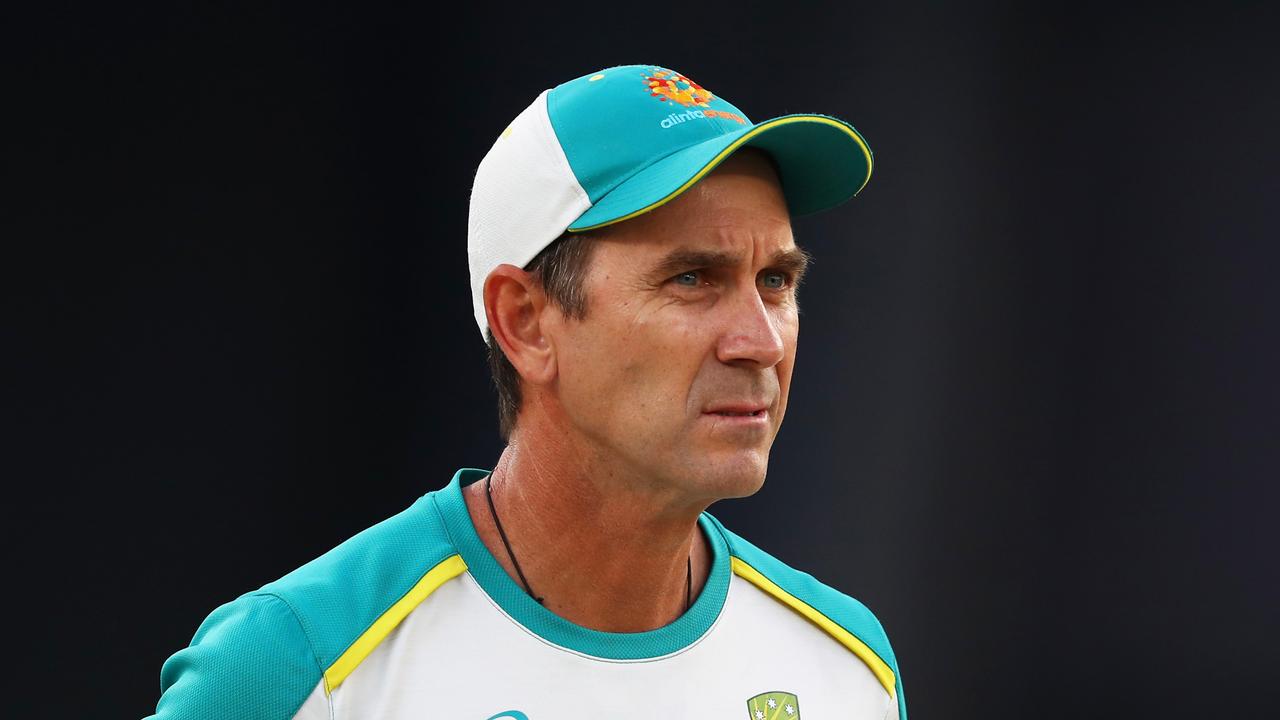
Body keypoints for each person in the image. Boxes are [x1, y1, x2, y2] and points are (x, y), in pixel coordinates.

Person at [146, 63, 907, 720]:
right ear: (526, 322)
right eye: (692, 278)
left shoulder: (844, 670)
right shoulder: (292, 665)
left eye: (775, 281)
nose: (762, 342)